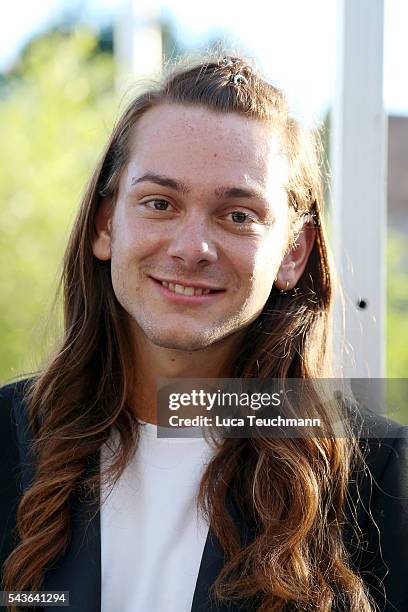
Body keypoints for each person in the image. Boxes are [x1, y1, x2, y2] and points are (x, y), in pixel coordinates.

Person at [1, 55, 407, 612]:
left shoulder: (380, 475)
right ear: (104, 226)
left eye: (238, 215)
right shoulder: (6, 441)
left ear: (293, 253)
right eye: (159, 203)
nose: (192, 248)